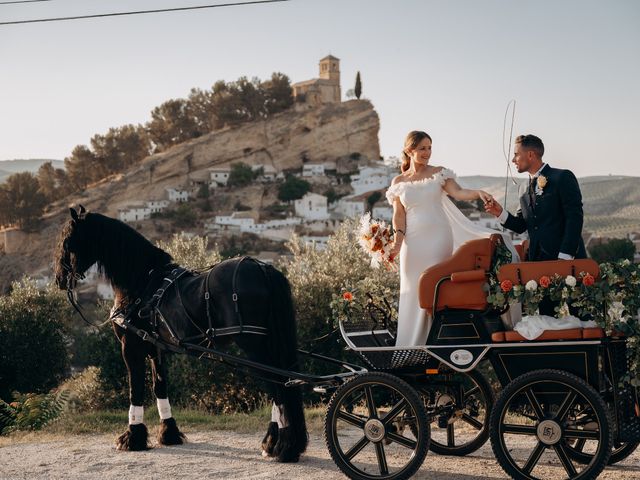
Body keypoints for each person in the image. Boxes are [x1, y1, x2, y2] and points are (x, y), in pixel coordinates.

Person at [386, 130, 514, 347]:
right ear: (410, 150)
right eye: (422, 148)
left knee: (435, 284)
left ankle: (436, 343)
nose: (427, 152)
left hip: (437, 237)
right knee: (411, 288)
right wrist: (397, 244)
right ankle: (410, 345)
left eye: (429, 148)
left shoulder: (439, 173)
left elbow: (459, 193)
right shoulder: (398, 181)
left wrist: (478, 192)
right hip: (412, 243)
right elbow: (399, 215)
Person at [484, 134, 586, 317]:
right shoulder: (523, 188)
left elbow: (575, 217)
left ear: (530, 155)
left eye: (516, 154)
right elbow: (522, 225)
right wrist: (500, 212)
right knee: (546, 316)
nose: (513, 160)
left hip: (570, 260)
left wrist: (566, 255)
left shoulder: (562, 177)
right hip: (539, 263)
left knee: (581, 313)